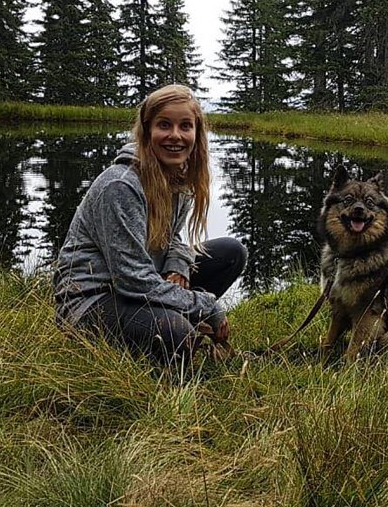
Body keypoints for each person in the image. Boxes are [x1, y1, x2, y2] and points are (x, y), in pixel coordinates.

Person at [54, 84, 247, 371]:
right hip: (93, 299)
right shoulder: (120, 186)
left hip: (141, 282)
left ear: (196, 133)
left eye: (185, 126)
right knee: (176, 335)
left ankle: (176, 322)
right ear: (147, 130)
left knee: (231, 253)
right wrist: (205, 305)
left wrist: (178, 265)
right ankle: (179, 329)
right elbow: (132, 279)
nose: (175, 136)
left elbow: (174, 237)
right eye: (164, 125)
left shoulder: (177, 176)